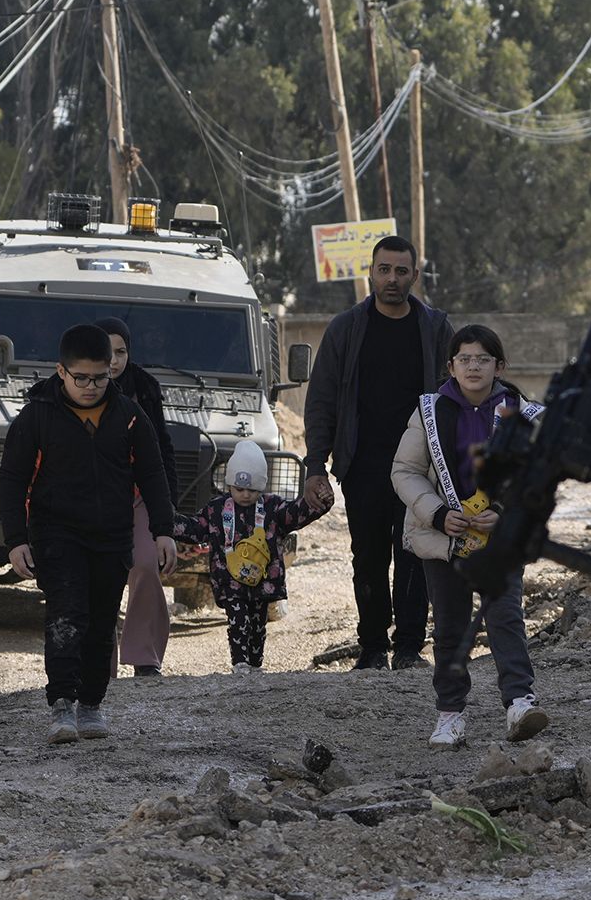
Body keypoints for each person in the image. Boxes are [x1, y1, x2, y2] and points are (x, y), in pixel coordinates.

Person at [0, 323, 177, 743]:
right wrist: (15, 539)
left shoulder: (130, 418)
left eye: (100, 377)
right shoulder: (37, 415)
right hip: (56, 533)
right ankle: (62, 704)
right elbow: (11, 478)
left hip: (111, 537)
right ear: (61, 372)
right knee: (66, 615)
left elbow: (153, 474)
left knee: (100, 622)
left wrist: (162, 531)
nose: (91, 386)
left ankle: (92, 703)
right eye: (81, 378)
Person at [391, 325, 550, 746]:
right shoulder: (429, 410)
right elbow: (404, 472)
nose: (473, 366)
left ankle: (520, 703)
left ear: (500, 366)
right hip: (444, 538)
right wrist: (438, 514)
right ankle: (450, 715)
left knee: (505, 618)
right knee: (450, 628)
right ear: (451, 366)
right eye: (465, 358)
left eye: (483, 359)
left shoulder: (523, 413)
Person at [302, 236, 452, 671]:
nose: (392, 279)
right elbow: (322, 400)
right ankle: (371, 649)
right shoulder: (346, 328)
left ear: (415, 276)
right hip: (363, 463)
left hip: (421, 465)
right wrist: (317, 465)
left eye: (401, 271)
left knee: (414, 552)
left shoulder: (436, 328)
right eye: (384, 269)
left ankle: (408, 648)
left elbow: (457, 392)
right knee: (367, 556)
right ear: (371, 272)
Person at [172, 440, 328, 673]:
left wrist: (320, 503)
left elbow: (296, 514)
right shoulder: (216, 509)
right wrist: (166, 521)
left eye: (252, 490)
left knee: (257, 624)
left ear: (262, 487)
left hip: (262, 582)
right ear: (229, 485)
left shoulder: (273, 508)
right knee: (237, 620)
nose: (245, 494)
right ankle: (240, 663)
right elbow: (196, 528)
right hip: (230, 580)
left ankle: (255, 664)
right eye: (239, 488)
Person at [98, 316, 179, 676]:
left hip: (140, 497)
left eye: (121, 352)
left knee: (145, 565)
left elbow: (162, 450)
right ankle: (100, 666)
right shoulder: (72, 389)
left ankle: (145, 658)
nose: (114, 360)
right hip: (94, 500)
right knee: (100, 578)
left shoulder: (144, 388)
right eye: (106, 351)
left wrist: (167, 518)